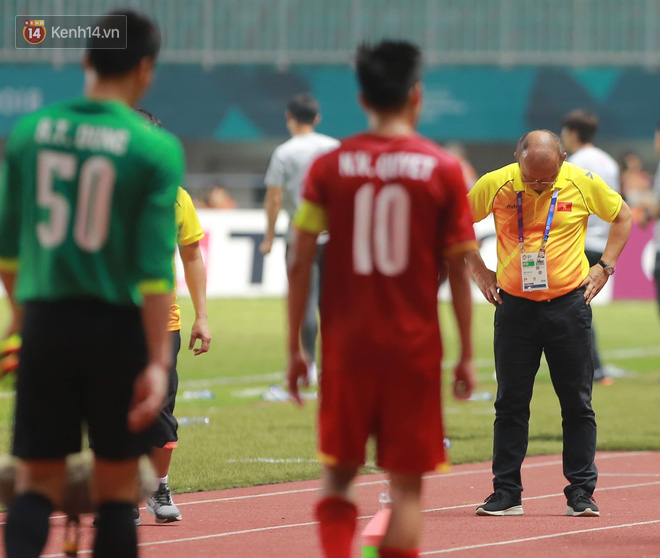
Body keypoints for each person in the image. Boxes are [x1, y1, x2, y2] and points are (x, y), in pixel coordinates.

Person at [0, 12, 183, 558]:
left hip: (49, 323)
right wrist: (156, 359)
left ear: (86, 60)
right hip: (117, 332)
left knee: (34, 482)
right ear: (145, 70)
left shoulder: (30, 134)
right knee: (116, 490)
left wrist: (23, 320)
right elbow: (155, 273)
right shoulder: (154, 150)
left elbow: (8, 251)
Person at [287, 40, 477, 558]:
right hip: (413, 349)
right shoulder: (442, 170)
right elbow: (459, 265)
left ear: (362, 97)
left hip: (347, 346)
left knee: (338, 475)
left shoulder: (328, 168)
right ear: (416, 96)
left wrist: (293, 348)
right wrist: (465, 352)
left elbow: (300, 258)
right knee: (406, 489)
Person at [465, 130, 632, 518]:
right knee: (510, 403)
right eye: (530, 178)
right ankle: (506, 493)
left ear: (563, 160)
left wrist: (605, 267)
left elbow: (622, 216)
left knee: (577, 402)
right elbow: (453, 224)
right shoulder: (495, 183)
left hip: (568, 306)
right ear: (516, 159)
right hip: (514, 307)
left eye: (546, 179)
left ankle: (580, 493)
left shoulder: (582, 182)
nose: (538, 186)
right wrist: (478, 270)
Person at [134, 109, 212, 524]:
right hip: (107, 319)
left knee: (161, 412)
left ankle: (158, 488)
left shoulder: (176, 197)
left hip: (162, 323)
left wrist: (202, 316)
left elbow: (193, 255)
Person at [261, 93, 339, 385]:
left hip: (299, 236)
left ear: (289, 117)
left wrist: (269, 235)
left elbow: (274, 197)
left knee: (305, 303)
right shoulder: (333, 147)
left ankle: (310, 367)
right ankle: (335, 364)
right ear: (317, 118)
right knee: (332, 305)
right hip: (333, 236)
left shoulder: (284, 152)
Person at [561, 109, 622, 385]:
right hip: (603, 242)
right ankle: (591, 368)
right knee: (577, 307)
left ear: (572, 133)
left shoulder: (573, 163)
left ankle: (594, 370)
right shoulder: (609, 162)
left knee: (572, 309)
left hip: (579, 242)